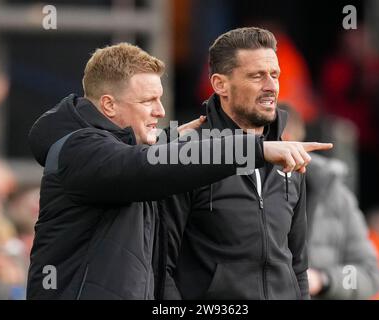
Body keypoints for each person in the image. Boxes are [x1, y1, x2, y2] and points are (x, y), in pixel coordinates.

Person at [26, 42, 331, 300]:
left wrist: (169, 142)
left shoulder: (120, 150)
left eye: (160, 99)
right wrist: (256, 149)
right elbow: (141, 170)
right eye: (148, 101)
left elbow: (138, 162)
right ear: (108, 105)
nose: (160, 111)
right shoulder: (79, 150)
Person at [162, 27, 332, 300]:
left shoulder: (290, 157)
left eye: (274, 75)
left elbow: (297, 266)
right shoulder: (189, 156)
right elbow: (162, 269)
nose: (271, 86)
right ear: (220, 84)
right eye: (257, 76)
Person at [280, 103, 379, 299]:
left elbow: (371, 275)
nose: (283, 147)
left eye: (287, 137)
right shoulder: (233, 189)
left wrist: (323, 279)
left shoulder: (333, 194)